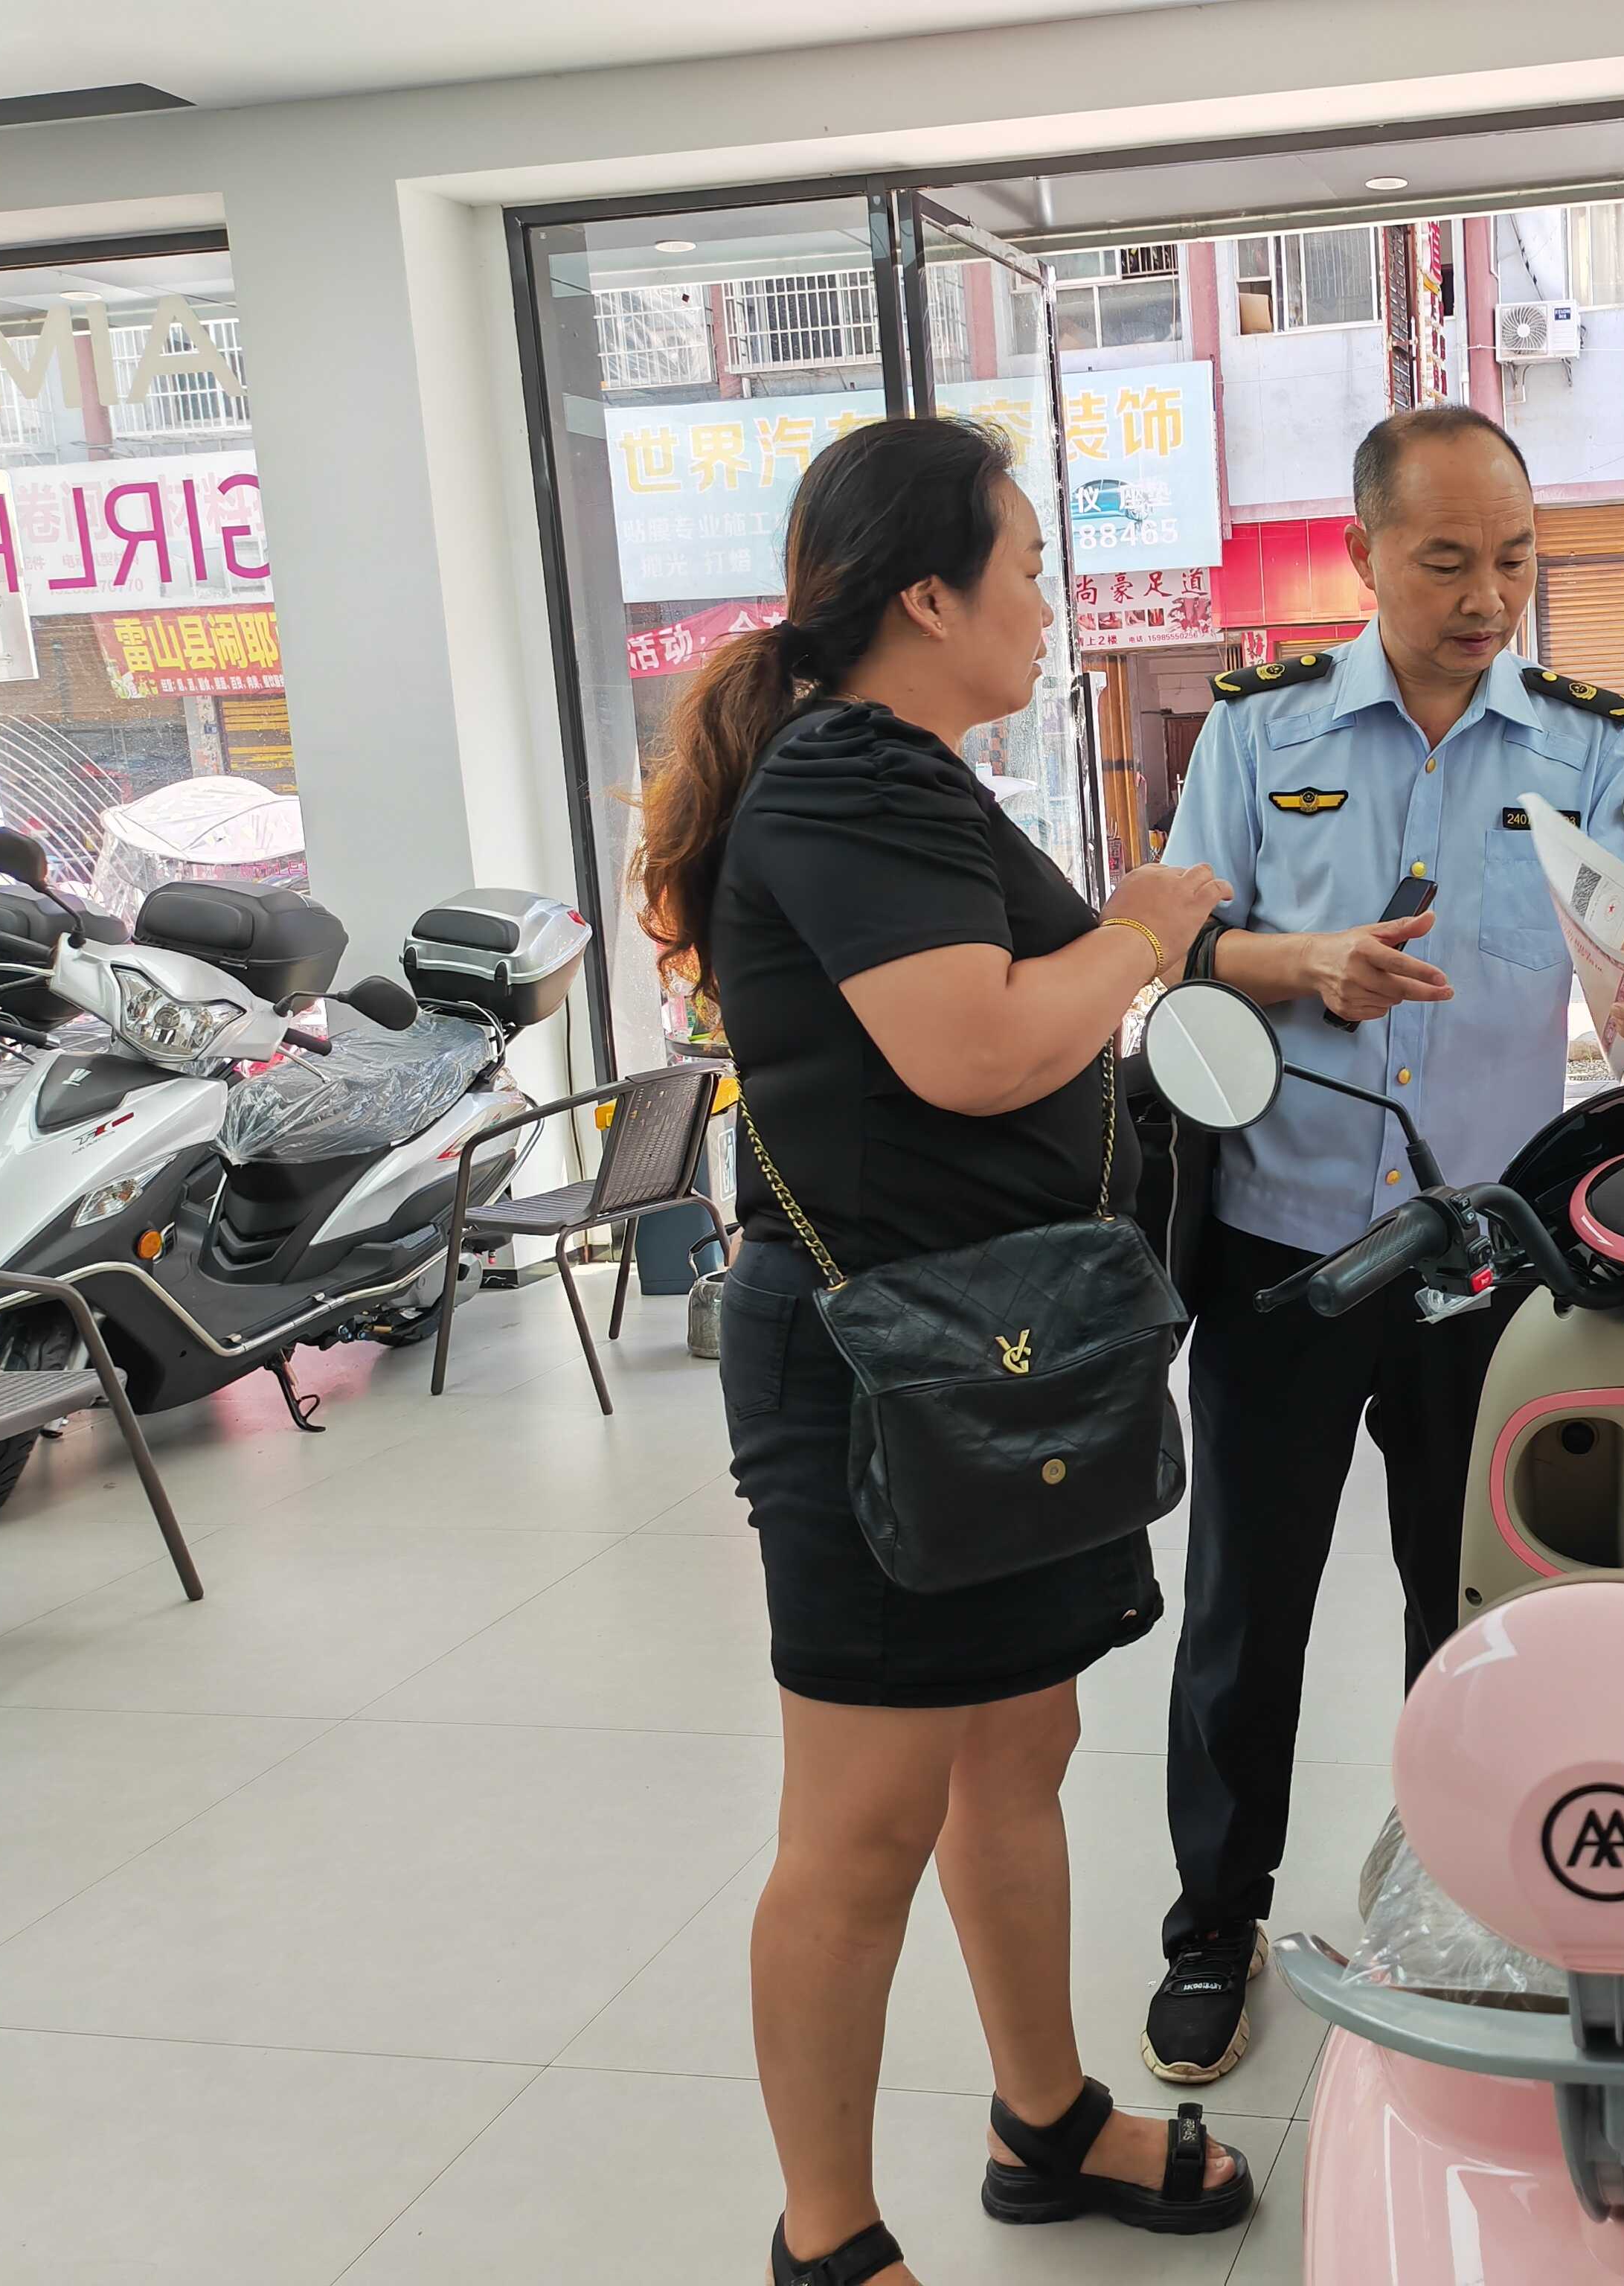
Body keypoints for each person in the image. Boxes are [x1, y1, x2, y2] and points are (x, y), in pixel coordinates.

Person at [635, 414, 1251, 2286]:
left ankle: (1043, 2116)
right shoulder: (850, 781)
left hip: (999, 1361)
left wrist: (1211, 951)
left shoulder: (906, 775)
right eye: (1027, 562)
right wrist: (1148, 927)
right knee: (864, 1817)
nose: (1052, 605)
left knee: (1019, 1751)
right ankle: (825, 2238)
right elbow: (978, 1046)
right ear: (925, 593)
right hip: (879, 1376)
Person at [1143, 405, 1624, 2082]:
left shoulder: (1584, 743)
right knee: (1252, 1605)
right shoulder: (1259, 729)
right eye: (1447, 560)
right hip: (1285, 1242)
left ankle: (1462, 1903)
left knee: (1472, 1609)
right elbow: (1175, 940)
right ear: (1367, 550)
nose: (1487, 595)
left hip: (1490, 1247)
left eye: (1515, 558)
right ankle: (1211, 1925)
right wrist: (1298, 961)